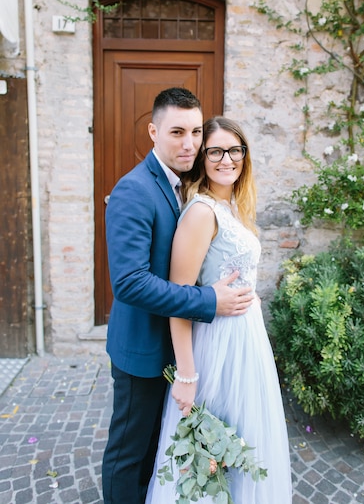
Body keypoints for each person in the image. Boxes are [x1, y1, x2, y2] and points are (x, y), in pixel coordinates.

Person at [102, 90, 254, 504]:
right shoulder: (134, 190)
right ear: (153, 131)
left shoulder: (183, 184)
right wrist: (208, 301)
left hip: (176, 346)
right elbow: (130, 282)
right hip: (141, 349)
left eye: (194, 132)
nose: (189, 143)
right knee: (129, 454)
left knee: (156, 449)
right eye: (176, 132)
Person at [145, 116, 293, 504]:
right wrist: (187, 375)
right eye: (216, 151)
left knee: (244, 441)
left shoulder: (232, 208)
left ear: (245, 154)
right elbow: (177, 299)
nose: (227, 159)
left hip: (248, 342)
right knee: (211, 451)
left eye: (235, 150)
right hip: (217, 344)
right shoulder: (201, 213)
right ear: (203, 158)